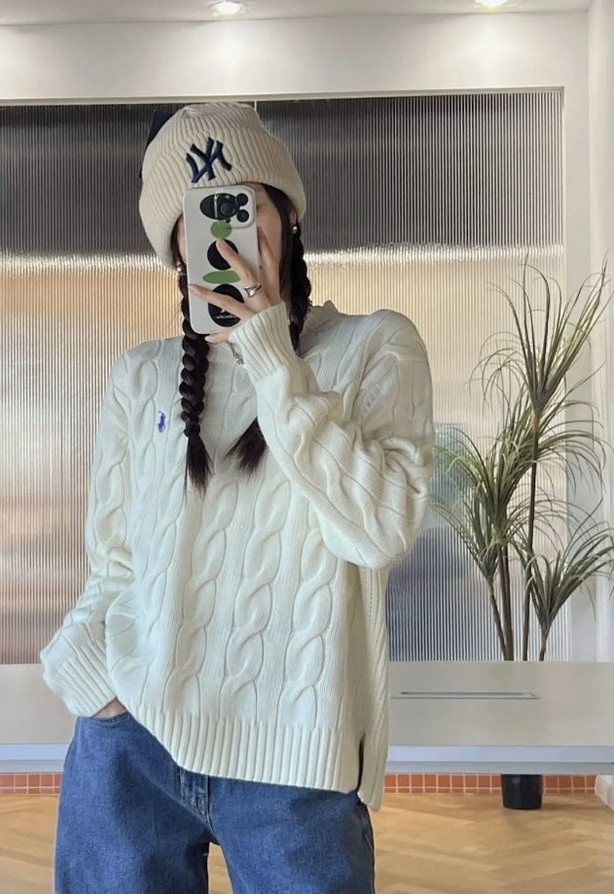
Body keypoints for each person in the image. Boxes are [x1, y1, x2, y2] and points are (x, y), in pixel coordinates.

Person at [40, 102, 435, 894]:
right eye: (201, 219)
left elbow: (380, 531)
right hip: (132, 746)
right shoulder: (140, 376)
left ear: (287, 217)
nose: (226, 237)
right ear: (175, 249)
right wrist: (83, 670)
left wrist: (271, 358)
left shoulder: (375, 347)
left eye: (244, 207)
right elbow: (115, 566)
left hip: (297, 765)